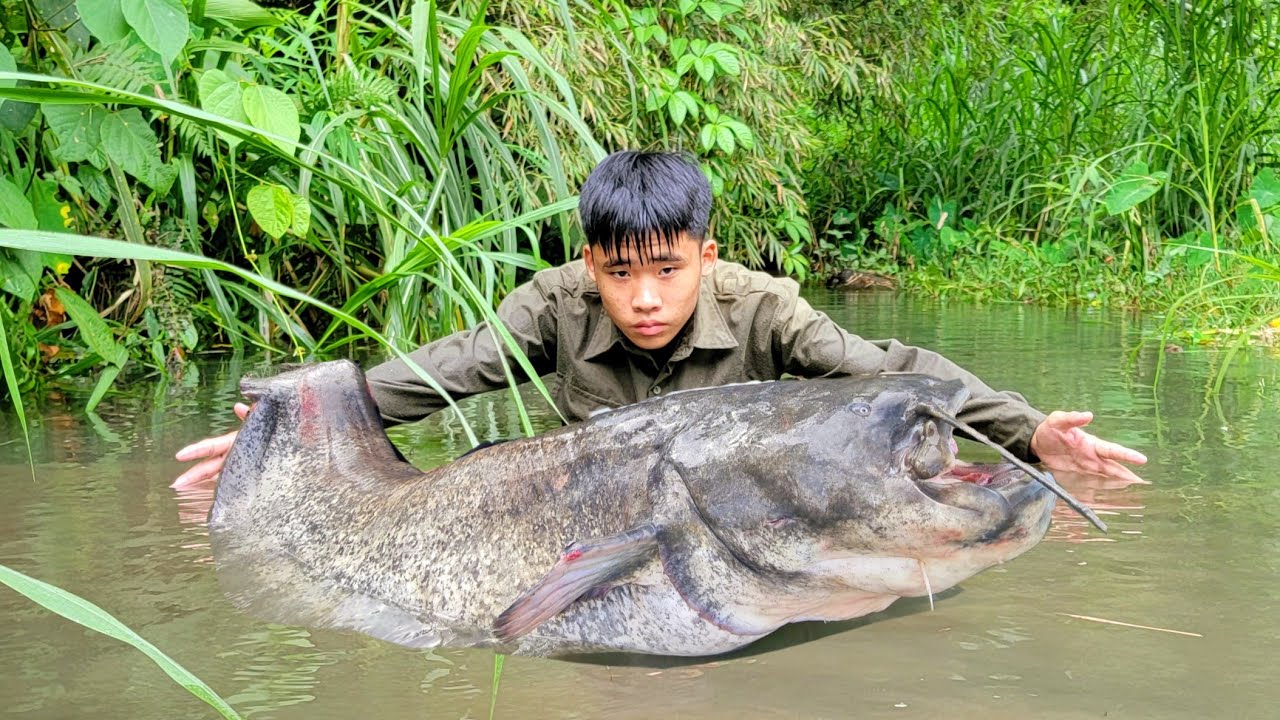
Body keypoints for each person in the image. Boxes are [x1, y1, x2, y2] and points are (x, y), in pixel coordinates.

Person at [173, 151, 1146, 487]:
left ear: (705, 259)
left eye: (667, 271)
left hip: (735, 502)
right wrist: (288, 428)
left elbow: (897, 369)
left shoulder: (768, 311)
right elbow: (435, 377)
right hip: (605, 500)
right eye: (620, 272)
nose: (643, 298)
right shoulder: (550, 307)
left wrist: (1025, 433)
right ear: (588, 261)